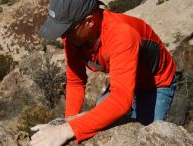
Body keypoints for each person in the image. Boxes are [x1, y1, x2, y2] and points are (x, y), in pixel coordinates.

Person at [30, 0, 177, 146]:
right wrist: (69, 122)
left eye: (67, 30)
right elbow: (76, 82)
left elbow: (120, 99)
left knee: (145, 133)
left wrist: (66, 130)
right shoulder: (73, 39)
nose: (63, 37)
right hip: (124, 78)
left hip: (155, 83)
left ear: (89, 21)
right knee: (101, 113)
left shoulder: (121, 34)